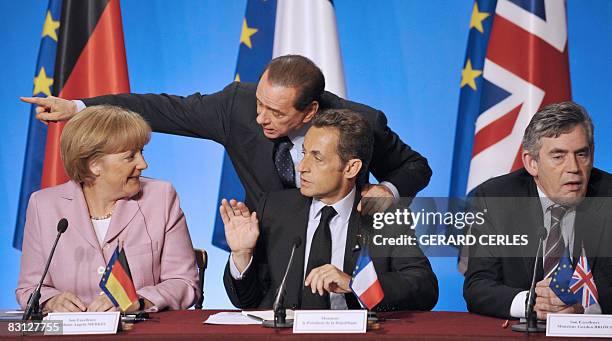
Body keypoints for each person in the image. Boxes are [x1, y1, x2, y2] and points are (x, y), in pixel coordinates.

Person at [21, 55, 432, 214]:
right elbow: (165, 108)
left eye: (275, 112)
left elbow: (415, 167)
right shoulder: (237, 106)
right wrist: (79, 107)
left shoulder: (361, 121)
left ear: (309, 111)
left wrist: (389, 191)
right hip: (270, 259)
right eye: (260, 103)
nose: (260, 118)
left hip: (347, 257)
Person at [220, 109, 438, 311]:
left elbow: (424, 287)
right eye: (304, 153)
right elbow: (246, 301)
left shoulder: (383, 215)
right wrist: (242, 254)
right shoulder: (275, 208)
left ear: (351, 168)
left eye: (317, 158)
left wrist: (356, 285)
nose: (301, 166)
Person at [16, 105, 199, 313]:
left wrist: (139, 300)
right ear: (95, 165)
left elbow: (184, 282)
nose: (143, 164)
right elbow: (29, 288)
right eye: (130, 156)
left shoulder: (161, 198)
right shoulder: (44, 205)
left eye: (142, 153)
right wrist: (50, 301)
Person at [463, 102, 612, 319]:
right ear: (532, 163)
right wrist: (533, 303)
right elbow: (478, 287)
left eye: (582, 154)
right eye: (558, 156)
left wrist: (585, 304)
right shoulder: (496, 198)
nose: (573, 168)